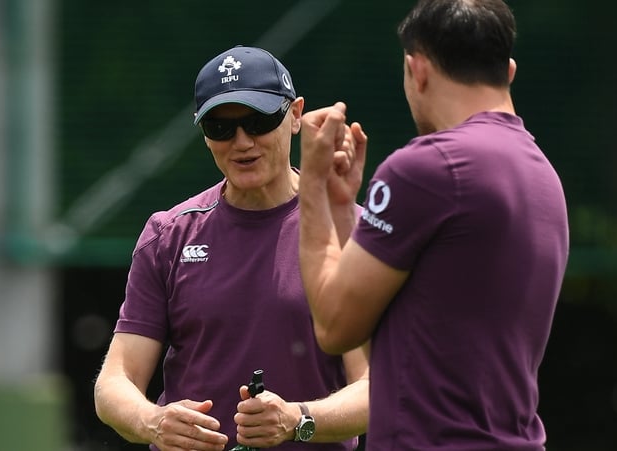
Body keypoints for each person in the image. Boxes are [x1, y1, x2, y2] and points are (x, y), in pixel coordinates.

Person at [298, 0, 569, 450]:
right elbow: (390, 343)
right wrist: (344, 207)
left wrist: (310, 182)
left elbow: (334, 326)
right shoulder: (542, 174)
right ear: (510, 71)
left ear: (416, 68)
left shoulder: (429, 167)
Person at [94, 45, 368, 451]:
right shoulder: (169, 235)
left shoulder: (350, 231)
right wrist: (154, 422)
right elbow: (115, 381)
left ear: (295, 115)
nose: (241, 142)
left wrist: (299, 420)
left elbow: (378, 386)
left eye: (258, 122)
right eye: (220, 128)